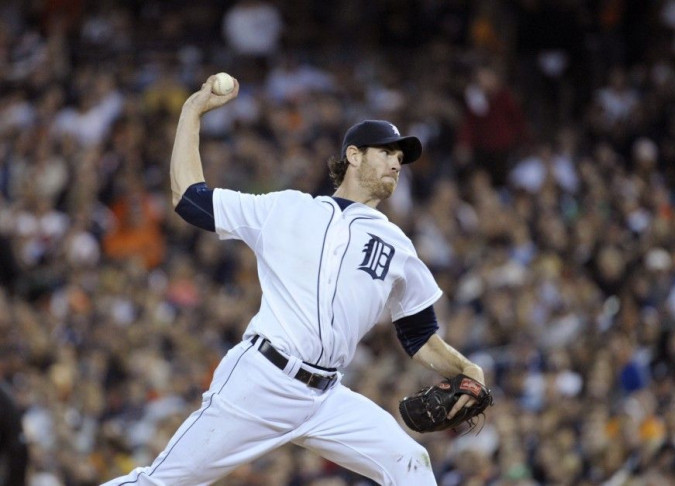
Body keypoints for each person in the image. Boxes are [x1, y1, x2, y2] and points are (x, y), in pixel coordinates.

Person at [102, 74, 488, 486]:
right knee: (160, 482)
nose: (397, 162)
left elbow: (419, 336)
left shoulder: (398, 246)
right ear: (354, 156)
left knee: (411, 464)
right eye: (387, 151)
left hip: (326, 399)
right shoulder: (286, 208)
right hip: (261, 381)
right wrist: (191, 112)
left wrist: (467, 368)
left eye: (401, 157)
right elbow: (189, 198)